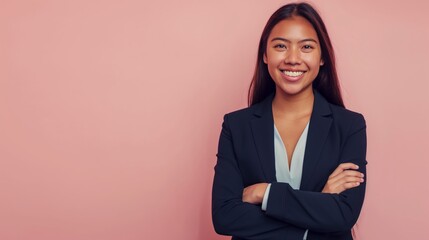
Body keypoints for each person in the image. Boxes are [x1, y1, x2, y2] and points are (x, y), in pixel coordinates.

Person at [212, 2, 367, 240]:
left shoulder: (349, 126)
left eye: (306, 47)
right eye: (281, 46)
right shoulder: (236, 126)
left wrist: (265, 194)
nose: (293, 59)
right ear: (265, 54)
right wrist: (321, 204)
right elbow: (225, 216)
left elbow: (344, 214)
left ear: (322, 57)